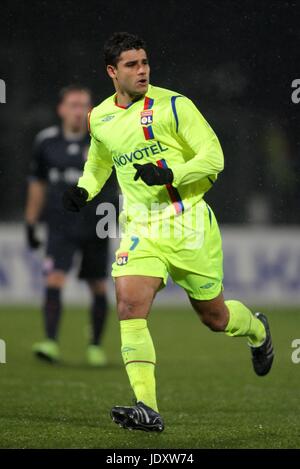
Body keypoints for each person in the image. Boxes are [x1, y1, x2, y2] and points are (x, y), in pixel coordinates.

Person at [63, 33, 274, 432]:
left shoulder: (174, 105)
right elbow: (99, 162)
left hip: (189, 222)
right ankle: (147, 407)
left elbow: (214, 156)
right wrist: (84, 190)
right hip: (141, 226)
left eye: (144, 62)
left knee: (215, 317)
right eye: (131, 64)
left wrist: (171, 173)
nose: (142, 70)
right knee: (128, 304)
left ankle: (257, 330)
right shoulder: (99, 118)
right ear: (112, 72)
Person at [25, 84, 118, 366]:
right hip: (60, 226)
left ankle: (95, 347)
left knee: (98, 285)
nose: (79, 111)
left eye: (84, 105)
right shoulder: (46, 142)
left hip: (96, 225)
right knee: (54, 279)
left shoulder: (103, 139)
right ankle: (51, 342)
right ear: (61, 110)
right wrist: (31, 222)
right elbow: (37, 183)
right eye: (74, 105)